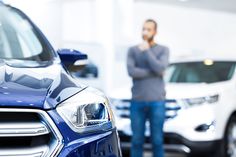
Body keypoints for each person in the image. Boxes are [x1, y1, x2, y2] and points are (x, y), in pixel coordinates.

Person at [127, 19, 170, 157]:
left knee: (157, 140)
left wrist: (146, 51)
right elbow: (132, 72)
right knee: (136, 140)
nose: (145, 32)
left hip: (157, 102)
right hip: (137, 102)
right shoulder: (133, 50)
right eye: (144, 28)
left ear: (155, 32)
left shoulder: (163, 49)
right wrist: (154, 72)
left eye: (149, 29)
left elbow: (160, 68)